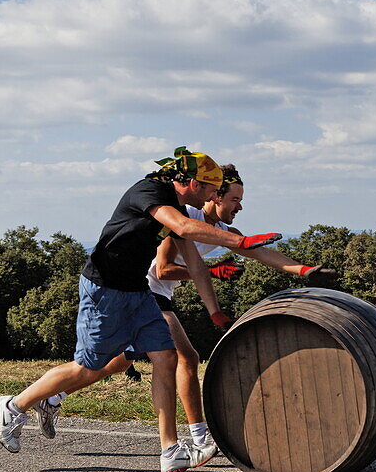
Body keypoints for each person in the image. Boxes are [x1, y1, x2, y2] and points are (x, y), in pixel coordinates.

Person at [0, 147, 282, 472]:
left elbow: (196, 260)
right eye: (212, 190)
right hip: (104, 289)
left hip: (137, 292)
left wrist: (218, 304)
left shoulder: (179, 203)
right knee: (89, 367)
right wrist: (240, 244)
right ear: (191, 183)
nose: (213, 197)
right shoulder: (149, 192)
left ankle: (170, 450)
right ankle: (13, 406)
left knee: (167, 357)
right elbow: (182, 230)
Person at [43, 164, 338, 451]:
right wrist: (215, 271)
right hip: (144, 292)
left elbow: (256, 252)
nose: (239, 207)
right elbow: (164, 269)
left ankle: (52, 397)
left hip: (156, 296)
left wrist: (303, 271)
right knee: (186, 357)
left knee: (115, 362)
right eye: (234, 199)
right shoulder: (186, 215)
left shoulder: (219, 228)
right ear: (215, 195)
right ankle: (200, 436)